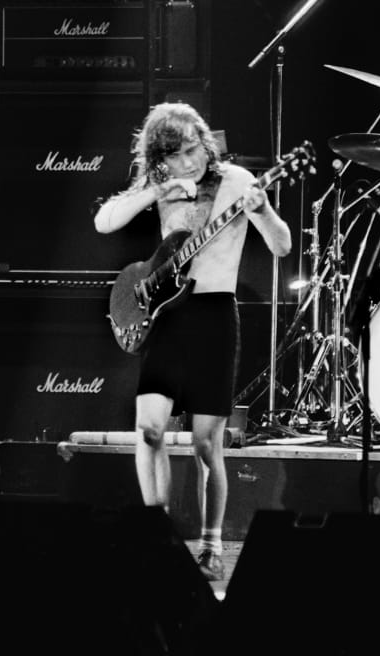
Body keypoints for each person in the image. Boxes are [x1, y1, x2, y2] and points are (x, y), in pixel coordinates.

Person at [93, 103, 291, 580]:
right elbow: (105, 222)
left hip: (215, 315)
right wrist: (156, 190)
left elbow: (282, 245)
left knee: (207, 444)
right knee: (150, 430)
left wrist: (262, 211)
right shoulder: (163, 185)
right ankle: (155, 532)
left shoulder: (240, 181)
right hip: (169, 318)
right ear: (161, 159)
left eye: (195, 149)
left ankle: (210, 543)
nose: (192, 162)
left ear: (207, 141)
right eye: (178, 155)